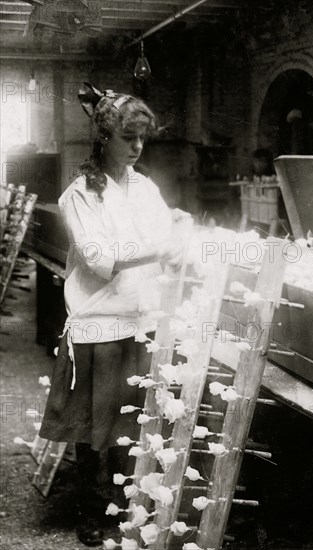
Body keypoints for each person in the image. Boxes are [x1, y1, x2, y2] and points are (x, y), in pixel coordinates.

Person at [39, 83, 183, 546]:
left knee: (131, 423)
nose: (138, 148)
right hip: (98, 321)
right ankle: (90, 509)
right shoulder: (80, 194)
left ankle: (125, 505)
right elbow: (100, 257)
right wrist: (161, 247)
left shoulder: (145, 187)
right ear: (105, 138)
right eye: (129, 138)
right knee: (92, 429)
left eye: (143, 139)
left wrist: (178, 234)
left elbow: (165, 235)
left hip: (140, 318)